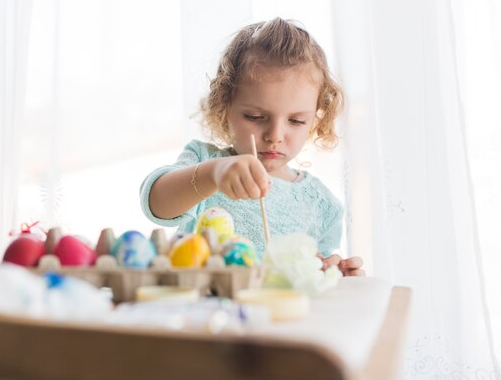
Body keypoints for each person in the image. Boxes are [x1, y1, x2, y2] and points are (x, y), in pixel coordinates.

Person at [140, 18, 364, 276]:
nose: (275, 135)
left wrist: (336, 276)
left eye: (296, 121)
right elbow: (156, 203)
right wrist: (212, 174)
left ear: (315, 119)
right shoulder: (204, 162)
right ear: (225, 107)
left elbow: (314, 281)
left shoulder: (322, 205)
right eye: (256, 117)